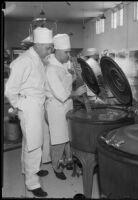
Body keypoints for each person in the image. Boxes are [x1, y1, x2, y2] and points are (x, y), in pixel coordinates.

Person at [5, 27, 53, 197]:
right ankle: (32, 183)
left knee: (30, 142)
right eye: (48, 48)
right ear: (38, 45)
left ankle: (30, 169)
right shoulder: (23, 61)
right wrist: (20, 106)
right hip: (29, 107)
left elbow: (38, 85)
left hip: (36, 106)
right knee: (34, 146)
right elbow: (10, 90)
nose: (50, 51)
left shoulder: (38, 59)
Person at [45, 33, 86, 180]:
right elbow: (61, 94)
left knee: (68, 137)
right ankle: (56, 167)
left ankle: (68, 161)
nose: (69, 55)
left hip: (66, 106)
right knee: (58, 140)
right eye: (66, 52)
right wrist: (77, 93)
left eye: (69, 52)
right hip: (56, 108)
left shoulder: (61, 65)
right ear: (57, 50)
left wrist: (75, 76)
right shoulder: (51, 68)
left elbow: (66, 83)